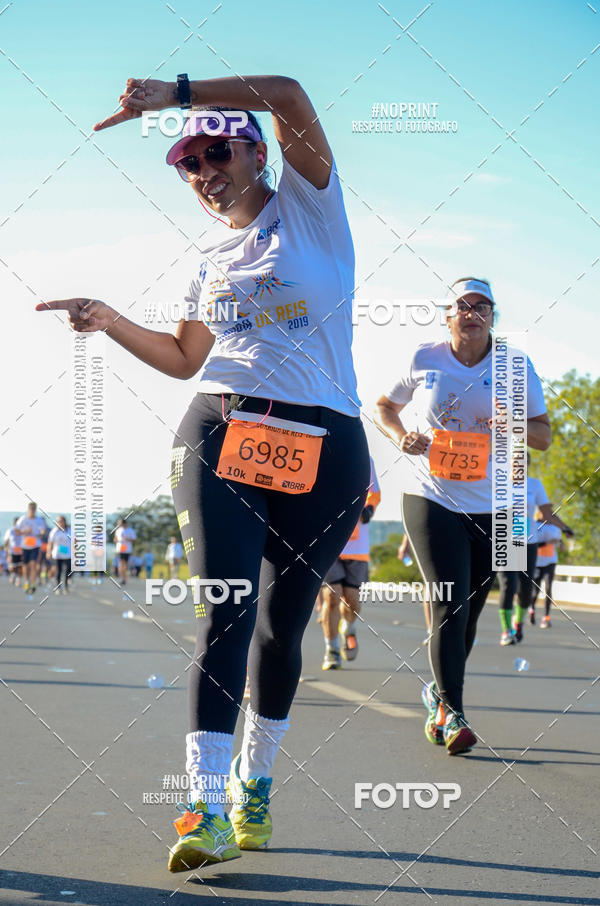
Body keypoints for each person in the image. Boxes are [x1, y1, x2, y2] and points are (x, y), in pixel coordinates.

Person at [39, 73, 369, 871]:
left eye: (215, 151)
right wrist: (111, 320)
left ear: (257, 151)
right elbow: (189, 359)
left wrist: (174, 97)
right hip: (224, 431)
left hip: (327, 442)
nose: (202, 171)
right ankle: (204, 810)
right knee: (225, 608)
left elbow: (290, 91)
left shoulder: (311, 210)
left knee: (282, 628)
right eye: (186, 164)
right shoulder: (205, 259)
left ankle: (256, 788)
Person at [374, 277, 551, 755]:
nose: (472, 313)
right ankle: (454, 713)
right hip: (431, 496)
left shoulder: (515, 364)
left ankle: (437, 694)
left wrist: (511, 422)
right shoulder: (423, 357)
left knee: (472, 611)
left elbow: (543, 436)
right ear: (446, 315)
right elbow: (385, 407)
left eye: (482, 306)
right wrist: (400, 437)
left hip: (501, 501)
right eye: (462, 306)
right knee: (449, 601)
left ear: (493, 315)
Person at [497, 454, 573, 644]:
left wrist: (565, 527)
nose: (517, 466)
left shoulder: (534, 485)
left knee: (525, 588)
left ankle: (518, 624)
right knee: (508, 585)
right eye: (514, 463)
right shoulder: (498, 481)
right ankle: (506, 631)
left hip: (528, 541)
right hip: (504, 540)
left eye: (522, 463)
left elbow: (547, 514)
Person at [320, 456, 380, 669]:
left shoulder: (363, 457)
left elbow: (375, 493)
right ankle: (332, 649)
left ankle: (349, 626)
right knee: (331, 597)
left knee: (352, 601)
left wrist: (367, 511)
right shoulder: (319, 453)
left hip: (358, 545)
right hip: (328, 542)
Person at [531, 525, 567, 629]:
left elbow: (561, 544)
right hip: (537, 562)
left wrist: (561, 546)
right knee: (535, 591)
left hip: (551, 562)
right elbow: (531, 545)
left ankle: (546, 617)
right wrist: (547, 543)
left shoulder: (555, 527)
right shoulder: (535, 525)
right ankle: (532, 608)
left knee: (548, 588)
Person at [15, 502, 48, 595]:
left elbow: (44, 530)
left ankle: (33, 584)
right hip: (25, 546)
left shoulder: (39, 520)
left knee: (33, 564)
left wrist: (41, 532)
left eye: (34, 509)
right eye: (31, 509)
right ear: (28, 509)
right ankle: (26, 582)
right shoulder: (23, 519)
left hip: (35, 545)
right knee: (25, 566)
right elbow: (16, 531)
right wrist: (25, 531)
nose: (32, 511)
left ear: (35, 510)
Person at [48, 516, 72, 594]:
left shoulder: (69, 531)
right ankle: (58, 587)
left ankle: (65, 587)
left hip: (67, 554)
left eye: (61, 521)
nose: (60, 523)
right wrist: (48, 552)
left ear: (65, 522)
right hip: (57, 554)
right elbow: (50, 543)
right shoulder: (54, 531)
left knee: (67, 571)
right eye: (58, 521)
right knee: (58, 571)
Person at [113, 517, 137, 587]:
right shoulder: (118, 530)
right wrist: (116, 541)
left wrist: (127, 539)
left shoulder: (130, 530)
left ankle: (124, 578)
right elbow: (115, 539)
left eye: (119, 523)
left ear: (123, 523)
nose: (118, 524)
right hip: (120, 549)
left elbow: (134, 540)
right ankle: (122, 578)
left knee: (125, 564)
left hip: (127, 549)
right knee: (120, 563)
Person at [4, 518, 23, 587]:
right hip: (12, 551)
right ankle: (13, 575)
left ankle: (18, 580)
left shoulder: (22, 531)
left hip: (21, 551)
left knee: (20, 566)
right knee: (12, 566)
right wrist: (6, 551)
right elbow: (6, 541)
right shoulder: (10, 531)